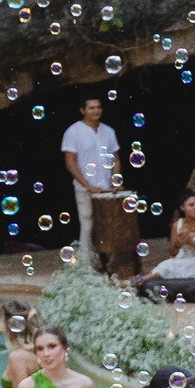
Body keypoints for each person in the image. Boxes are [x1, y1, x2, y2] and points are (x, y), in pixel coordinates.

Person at [59, 98, 121, 265]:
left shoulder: (108, 131)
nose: (96, 110)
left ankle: (109, 263)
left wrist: (115, 181)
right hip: (85, 189)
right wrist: (88, 185)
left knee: (109, 226)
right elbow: (70, 162)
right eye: (92, 107)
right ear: (82, 110)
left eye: (99, 107)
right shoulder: (73, 131)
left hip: (107, 190)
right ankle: (86, 265)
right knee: (88, 225)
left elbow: (115, 158)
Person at [143, 191, 195, 297]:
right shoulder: (177, 224)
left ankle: (138, 280)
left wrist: (191, 242)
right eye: (191, 205)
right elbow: (172, 253)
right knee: (170, 263)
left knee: (168, 265)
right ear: (182, 208)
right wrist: (177, 244)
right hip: (185, 262)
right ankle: (140, 281)